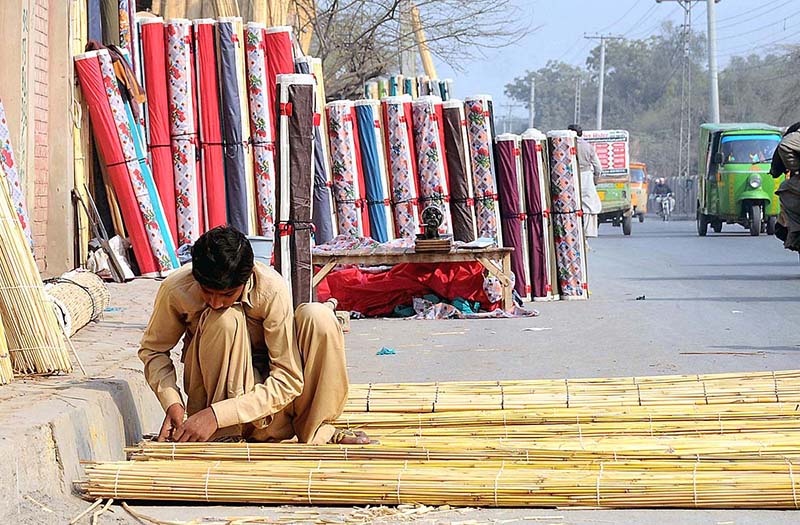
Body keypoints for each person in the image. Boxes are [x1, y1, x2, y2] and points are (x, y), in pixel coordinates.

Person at [138, 226, 370, 444]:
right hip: (213, 408)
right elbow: (154, 350)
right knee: (223, 320)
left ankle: (318, 430)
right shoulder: (176, 289)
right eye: (207, 293)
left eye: (227, 294)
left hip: (273, 409)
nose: (216, 302)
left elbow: (288, 378)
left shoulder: (271, 289)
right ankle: (225, 436)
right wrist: (173, 404)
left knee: (318, 316)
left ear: (247, 277)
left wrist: (217, 415)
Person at [770, 122, 800, 252]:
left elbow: (785, 146)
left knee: (785, 189)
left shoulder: (795, 131)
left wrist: (795, 168)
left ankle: (795, 233)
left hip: (796, 184)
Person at [568, 124, 602, 238]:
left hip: (569, 177)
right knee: (588, 204)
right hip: (586, 177)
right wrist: (595, 179)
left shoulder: (565, 145)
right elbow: (598, 167)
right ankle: (586, 234)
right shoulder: (588, 147)